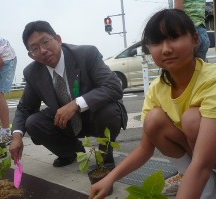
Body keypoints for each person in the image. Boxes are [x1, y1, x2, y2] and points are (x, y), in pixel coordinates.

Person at [89, 9, 216, 199]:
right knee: (153, 120)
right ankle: (206, 184)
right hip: (202, 161)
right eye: (156, 42)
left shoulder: (211, 79)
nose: (166, 49)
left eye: (174, 37)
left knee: (192, 119)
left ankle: (204, 184)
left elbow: (203, 162)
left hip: (208, 159)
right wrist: (110, 178)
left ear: (195, 40)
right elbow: (144, 149)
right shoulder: (157, 88)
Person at [9, 20, 127, 168]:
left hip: (94, 115)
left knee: (109, 111)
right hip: (64, 122)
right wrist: (16, 136)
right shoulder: (32, 72)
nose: (43, 50)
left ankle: (105, 158)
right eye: (35, 49)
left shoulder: (86, 54)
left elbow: (114, 86)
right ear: (31, 55)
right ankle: (71, 152)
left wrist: (76, 104)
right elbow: (25, 107)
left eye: (45, 42)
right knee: (33, 123)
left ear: (58, 39)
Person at [163, 0, 211, 195]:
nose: (164, 48)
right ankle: (196, 172)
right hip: (201, 31)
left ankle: (197, 174)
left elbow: (178, 14)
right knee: (196, 84)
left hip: (189, 30)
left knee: (191, 88)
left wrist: (174, 30)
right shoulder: (158, 88)